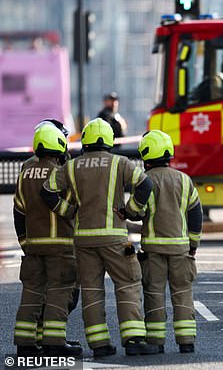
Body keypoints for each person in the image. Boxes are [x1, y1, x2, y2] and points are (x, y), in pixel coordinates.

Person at [42, 118, 159, 357]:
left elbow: (47, 190)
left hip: (84, 240)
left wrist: (69, 211)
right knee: (127, 284)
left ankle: (99, 345)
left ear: (84, 141)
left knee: (92, 291)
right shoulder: (120, 163)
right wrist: (132, 211)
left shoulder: (72, 166)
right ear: (109, 140)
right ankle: (134, 340)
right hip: (114, 238)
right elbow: (145, 184)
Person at [12, 124, 82, 357]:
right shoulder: (61, 172)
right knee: (59, 292)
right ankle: (54, 342)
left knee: (32, 292)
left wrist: (24, 240)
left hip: (32, 244)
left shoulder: (25, 170)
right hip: (60, 244)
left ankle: (26, 344)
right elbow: (74, 206)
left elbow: (19, 210)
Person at [137, 130, 203, 353]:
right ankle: (186, 341)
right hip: (181, 250)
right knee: (183, 293)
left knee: (154, 293)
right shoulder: (184, 180)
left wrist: (124, 212)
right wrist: (193, 245)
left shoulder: (145, 181)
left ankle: (156, 342)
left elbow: (137, 212)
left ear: (146, 154)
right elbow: (195, 215)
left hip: (153, 250)